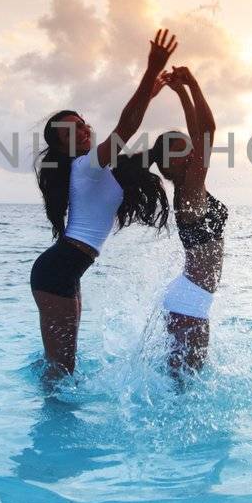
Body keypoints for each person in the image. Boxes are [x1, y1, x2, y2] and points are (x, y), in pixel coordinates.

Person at [29, 29, 177, 376]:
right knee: (62, 370)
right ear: (64, 145)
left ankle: (54, 414)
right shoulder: (85, 167)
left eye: (83, 124)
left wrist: (151, 91)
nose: (84, 130)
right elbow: (126, 125)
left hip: (67, 269)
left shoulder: (95, 169)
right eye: (73, 130)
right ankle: (53, 420)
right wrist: (151, 69)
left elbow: (129, 140)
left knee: (64, 365)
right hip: (57, 271)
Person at [151, 65, 226, 376]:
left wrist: (181, 90)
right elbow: (207, 131)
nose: (194, 149)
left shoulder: (189, 190)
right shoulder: (190, 189)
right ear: (174, 161)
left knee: (180, 385)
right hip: (190, 301)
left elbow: (199, 132)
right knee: (184, 387)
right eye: (186, 147)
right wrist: (192, 83)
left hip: (189, 297)